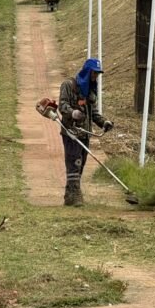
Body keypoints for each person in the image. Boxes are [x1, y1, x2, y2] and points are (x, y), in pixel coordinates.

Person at [58, 58, 114, 206]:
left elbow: (93, 113)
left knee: (81, 164)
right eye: (94, 73)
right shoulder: (68, 85)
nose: (96, 77)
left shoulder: (90, 90)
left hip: (85, 133)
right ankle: (75, 196)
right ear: (87, 72)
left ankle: (70, 195)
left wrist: (104, 122)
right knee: (74, 163)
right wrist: (73, 113)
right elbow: (62, 105)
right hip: (71, 132)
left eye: (98, 74)